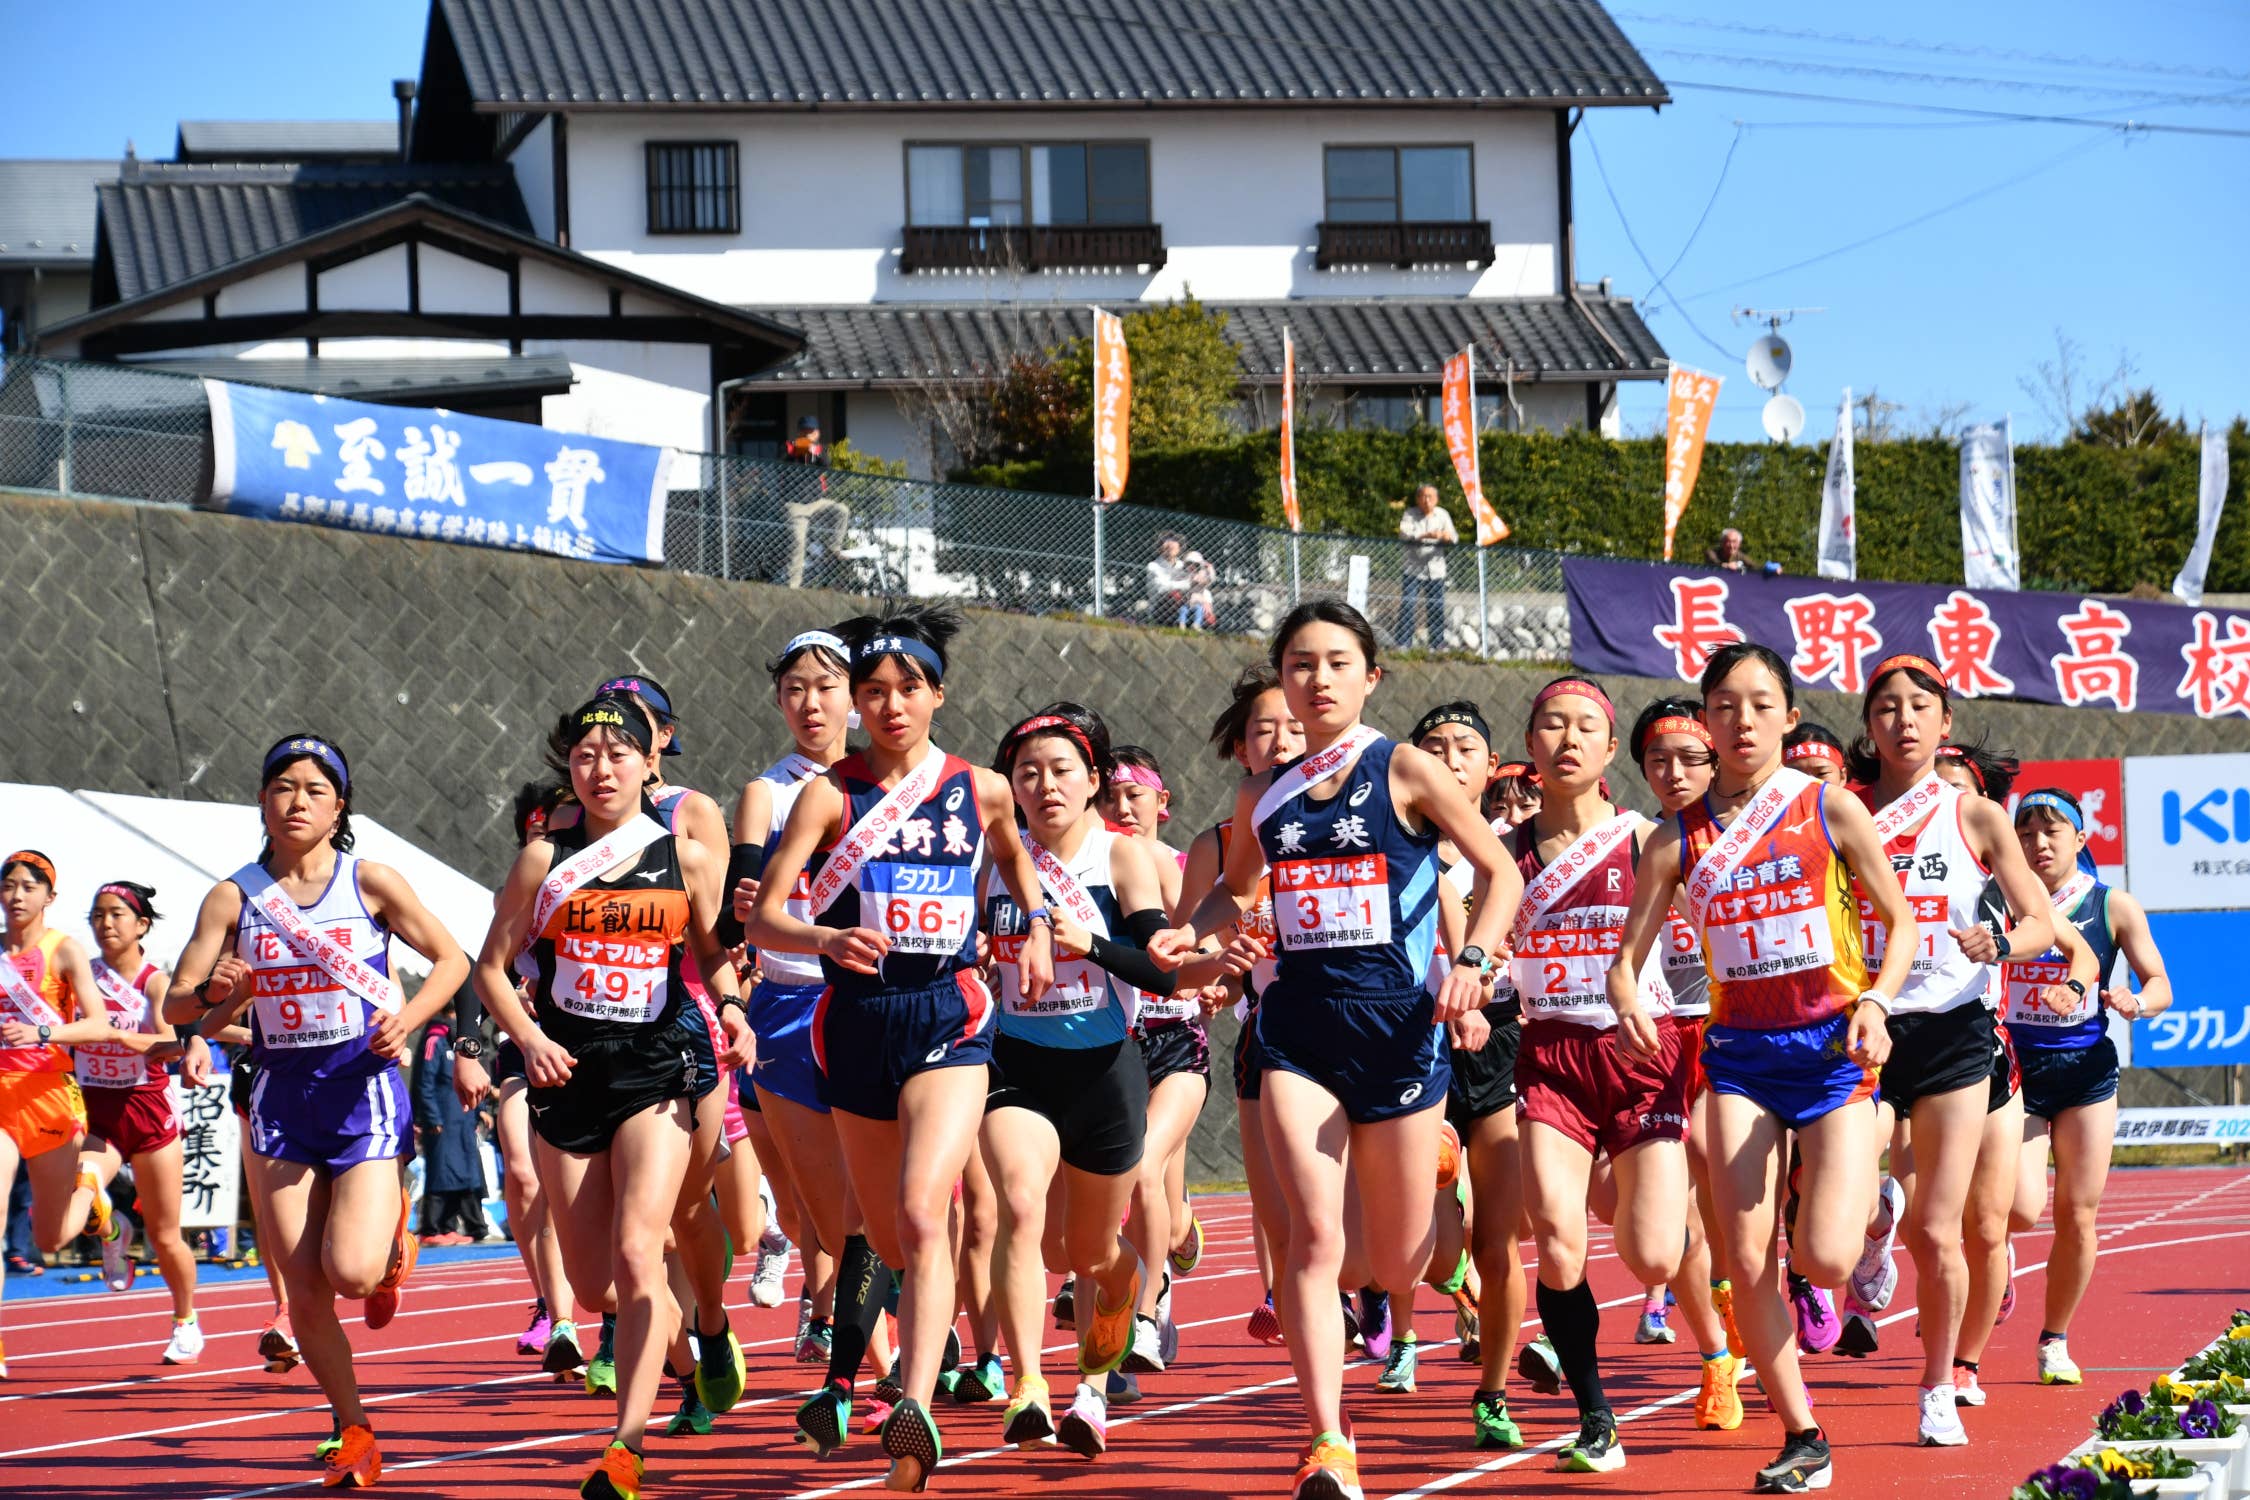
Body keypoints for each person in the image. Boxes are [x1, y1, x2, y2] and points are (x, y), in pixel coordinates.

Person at [1151, 600, 1521, 1500]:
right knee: (1312, 1240)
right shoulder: (1262, 794)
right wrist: (1183, 934)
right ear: (1282, 678)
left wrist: (1472, 958)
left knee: (1391, 1264)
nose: (1316, 679)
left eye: (1335, 662)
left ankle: (1421, 1238)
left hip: (1399, 1033)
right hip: (1300, 1036)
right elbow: (1233, 897)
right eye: (1300, 664)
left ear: (1369, 677)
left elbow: (1500, 872)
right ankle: (1326, 1440)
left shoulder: (1406, 769)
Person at [747, 602, 1057, 1492]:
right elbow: (768, 913)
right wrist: (822, 941)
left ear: (936, 697)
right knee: (880, 1229)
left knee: (926, 1211)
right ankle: (882, 1364)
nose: (890, 706)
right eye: (873, 691)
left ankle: (912, 1407)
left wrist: (1031, 925)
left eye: (907, 690)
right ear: (855, 704)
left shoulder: (980, 786)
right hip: (852, 1020)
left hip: (949, 1012)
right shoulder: (827, 793)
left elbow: (1011, 853)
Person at [1605, 642, 1913, 1494]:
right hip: (1737, 1059)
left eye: (1760, 703)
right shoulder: (1674, 840)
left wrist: (1877, 1003)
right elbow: (1627, 960)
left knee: (1823, 1260)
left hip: (1829, 1053)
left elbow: (1902, 926)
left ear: (1786, 715)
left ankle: (1863, 1213)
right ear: (1707, 723)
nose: (1742, 720)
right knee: (1746, 1261)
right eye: (1725, 706)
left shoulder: (1831, 809)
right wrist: (1627, 995)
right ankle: (1802, 1432)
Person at [170, 734, 470, 1488]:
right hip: (280, 1098)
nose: (296, 801)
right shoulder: (233, 896)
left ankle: (393, 1241)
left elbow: (453, 959)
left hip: (361, 1087)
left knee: (353, 1274)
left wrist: (411, 1018)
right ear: (262, 801)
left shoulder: (368, 881)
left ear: (340, 806)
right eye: (282, 787)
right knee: (303, 1290)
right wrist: (215, 994)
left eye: (313, 789)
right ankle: (353, 1426)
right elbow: (180, 1005)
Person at [473, 697, 752, 1500]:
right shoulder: (542, 859)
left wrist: (733, 1011)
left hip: (657, 1068)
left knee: (639, 1249)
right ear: (570, 767)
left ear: (649, 763)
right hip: (568, 1072)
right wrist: (528, 1041)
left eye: (618, 753)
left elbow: (712, 953)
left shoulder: (685, 855)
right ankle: (693, 1351)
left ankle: (624, 1448)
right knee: (595, 1285)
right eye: (587, 756)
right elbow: (491, 967)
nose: (602, 769)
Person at [1843, 656, 2092, 1442]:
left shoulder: (1975, 815)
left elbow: (2041, 922)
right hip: (1862, 1026)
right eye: (1887, 707)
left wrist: (2001, 943)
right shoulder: (1836, 812)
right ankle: (1871, 1225)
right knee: (1842, 1212)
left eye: (1920, 706)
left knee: (1941, 1230)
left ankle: (1939, 1386)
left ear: (1944, 723)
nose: (1904, 720)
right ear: (1869, 726)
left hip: (1953, 1027)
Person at [724, 628, 909, 1453]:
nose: (811, 703)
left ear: (857, 697)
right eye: (795, 687)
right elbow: (745, 890)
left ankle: (884, 1352)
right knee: (822, 1209)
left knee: (890, 1199)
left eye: (827, 686)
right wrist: (744, 901)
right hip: (788, 1010)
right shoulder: (766, 792)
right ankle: (871, 1359)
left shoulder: (895, 785)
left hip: (882, 1003)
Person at [979, 704, 1179, 1458]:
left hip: (1104, 1070)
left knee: (1090, 1253)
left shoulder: (1120, 857)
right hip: (1016, 1065)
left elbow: (1157, 970)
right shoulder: (994, 859)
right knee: (1020, 1209)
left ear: (1092, 779)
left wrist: (1090, 941)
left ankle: (1104, 1359)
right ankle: (1029, 1383)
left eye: (1062, 770)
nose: (1044, 785)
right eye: (1027, 773)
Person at [1505, 677, 1693, 1474]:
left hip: (1643, 1055)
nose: (1568, 739)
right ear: (1532, 745)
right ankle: (1594, 1415)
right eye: (1552, 725)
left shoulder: (1647, 841)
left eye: (1586, 727)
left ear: (1611, 751)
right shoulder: (1499, 853)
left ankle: (1689, 1256)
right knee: (1554, 1234)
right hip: (1550, 1056)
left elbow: (1696, 947)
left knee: (1652, 1256)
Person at [2000, 788, 2169, 1386]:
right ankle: (1998, 1256)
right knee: (2019, 1210)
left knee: (2078, 1213)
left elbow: (2159, 985)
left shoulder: (2112, 904)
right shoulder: (1999, 898)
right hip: (2012, 1068)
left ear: (2079, 839)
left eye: (2052, 832)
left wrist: (2136, 1003)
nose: (2038, 845)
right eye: (2026, 834)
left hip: (2085, 1072)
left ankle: (2054, 1339)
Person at [1409, 702, 1529, 1449]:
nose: (1451, 758)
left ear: (1490, 768)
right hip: (1413, 1042)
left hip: (1500, 1041)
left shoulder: (1522, 853)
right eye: (1434, 746)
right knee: (1431, 1247)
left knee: (1498, 1236)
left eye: (1466, 747)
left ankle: (1493, 1391)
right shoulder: (1392, 836)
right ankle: (1460, 1293)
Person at [1623, 699, 1745, 1432]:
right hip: (1666, 1036)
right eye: (1658, 761)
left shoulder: (1754, 834)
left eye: (1691, 759)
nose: (1674, 774)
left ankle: (1755, 1287)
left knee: (1739, 1198)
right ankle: (1716, 1356)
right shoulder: (1640, 843)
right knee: (1689, 1206)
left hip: (1746, 1033)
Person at [1174, 665, 1301, 1348]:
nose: (1280, 742)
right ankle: (1289, 1284)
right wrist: (1210, 973)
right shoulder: (1219, 846)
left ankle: (1360, 1280)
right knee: (1274, 1169)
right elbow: (1194, 932)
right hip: (1264, 1020)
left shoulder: (1350, 820)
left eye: (1295, 729)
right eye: (1264, 730)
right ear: (1239, 749)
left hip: (1356, 1014)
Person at [75, 880, 213, 1362]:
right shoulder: (80, 975)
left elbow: (171, 1044)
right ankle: (114, 1233)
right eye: (97, 915)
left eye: (116, 914)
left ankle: (186, 1319)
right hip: (99, 1113)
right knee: (81, 1193)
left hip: (149, 1112)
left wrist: (116, 1036)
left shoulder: (156, 981)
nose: (105, 924)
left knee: (166, 1234)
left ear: (141, 925)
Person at [0, 849, 111, 1382]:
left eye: (28, 886)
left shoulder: (64, 950)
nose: (16, 896)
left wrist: (43, 1032)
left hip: (48, 1095)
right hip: (0, 1092)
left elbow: (99, 1024)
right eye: (9, 885)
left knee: (48, 1239)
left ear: (48, 896)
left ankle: (90, 1190)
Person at [412, 1022, 489, 1244]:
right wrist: (431, 1117)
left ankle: (448, 1226)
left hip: (463, 1119)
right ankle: (431, 1228)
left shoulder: (464, 1041)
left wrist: (479, 1111)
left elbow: (475, 1076)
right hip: (442, 1120)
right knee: (441, 1173)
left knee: (463, 1173)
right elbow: (424, 1083)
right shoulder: (434, 1041)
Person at [781, 414, 850, 590]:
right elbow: (781, 459)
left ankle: (834, 548)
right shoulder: (790, 446)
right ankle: (793, 586)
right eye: (804, 431)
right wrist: (798, 450)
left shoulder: (820, 449)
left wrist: (814, 452)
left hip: (817, 502)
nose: (807, 434)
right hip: (796, 504)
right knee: (798, 540)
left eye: (810, 431)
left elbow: (827, 464)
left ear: (817, 433)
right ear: (798, 432)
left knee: (842, 510)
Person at [1396, 485, 1458, 650]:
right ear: (1418, 499)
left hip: (1436, 569)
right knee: (1408, 605)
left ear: (1436, 499)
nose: (1427, 500)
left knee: (1436, 607)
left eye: (1430, 497)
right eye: (1423, 497)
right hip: (1413, 568)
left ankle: (1436, 645)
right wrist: (1427, 535)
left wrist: (1447, 537)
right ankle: (1403, 644)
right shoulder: (1410, 514)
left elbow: (1454, 537)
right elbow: (1404, 534)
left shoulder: (1442, 514)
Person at [1146, 535, 1191, 622]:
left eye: (1173, 547)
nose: (1170, 549)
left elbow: (1195, 582)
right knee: (1173, 595)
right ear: (1160, 549)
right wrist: (1185, 584)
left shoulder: (1182, 565)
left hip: (1183, 604)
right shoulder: (1153, 566)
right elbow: (1162, 588)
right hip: (1159, 607)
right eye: (1167, 547)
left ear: (1179, 549)